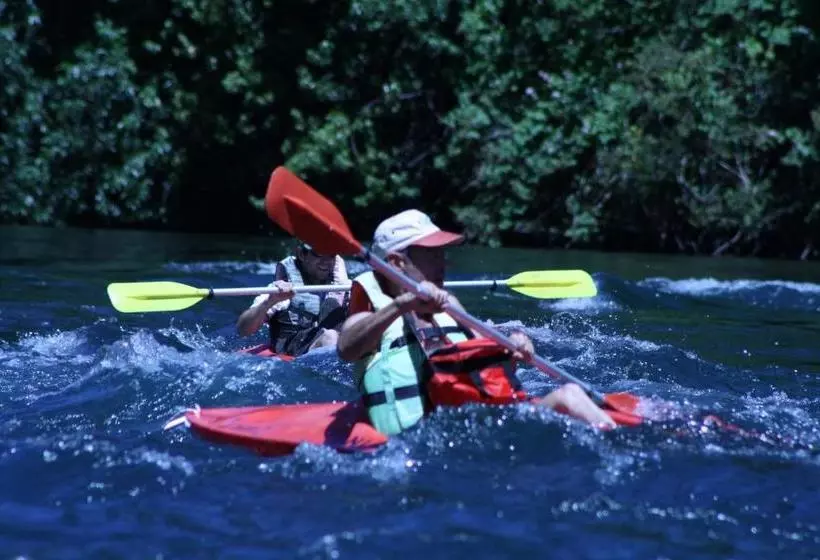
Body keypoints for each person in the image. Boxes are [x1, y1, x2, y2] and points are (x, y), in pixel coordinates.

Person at [337, 209, 616, 435]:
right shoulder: (372, 311)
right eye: (432, 255)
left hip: (479, 424)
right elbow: (346, 349)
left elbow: (486, 356)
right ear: (397, 263)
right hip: (418, 436)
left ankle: (619, 441)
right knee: (569, 396)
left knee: (570, 394)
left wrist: (514, 346)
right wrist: (402, 304)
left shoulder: (449, 305)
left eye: (442, 254)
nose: (443, 264)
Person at [237, 243, 350, 356]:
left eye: (331, 255)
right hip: (292, 348)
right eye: (319, 254)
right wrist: (270, 302)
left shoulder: (346, 288)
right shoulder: (279, 290)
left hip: (332, 345)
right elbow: (243, 329)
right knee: (330, 337)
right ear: (301, 254)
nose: (325, 261)